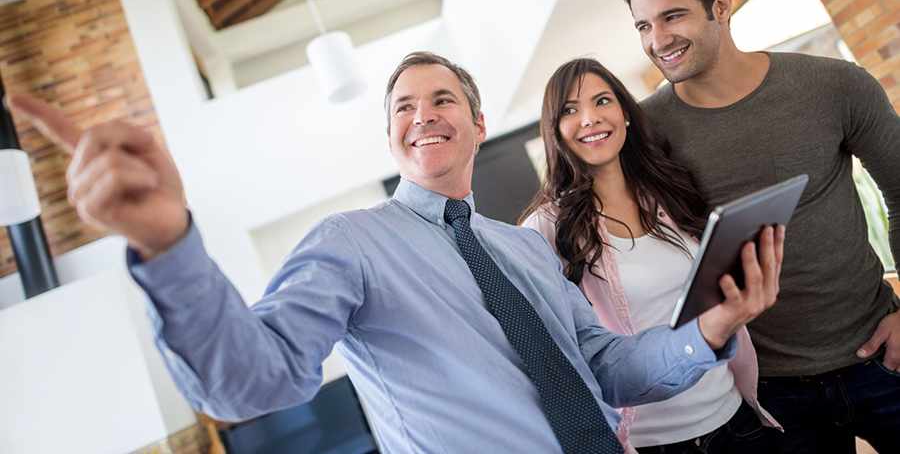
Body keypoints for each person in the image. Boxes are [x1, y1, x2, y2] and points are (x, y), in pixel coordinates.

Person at [9, 52, 781, 454]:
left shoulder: (526, 248)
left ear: (477, 124)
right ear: (392, 138)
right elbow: (252, 380)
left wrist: (711, 329)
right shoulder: (350, 245)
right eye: (403, 108)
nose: (423, 115)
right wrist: (168, 245)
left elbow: (606, 369)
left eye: (442, 99)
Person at [618, 0, 900, 453]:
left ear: (720, 6)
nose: (657, 40)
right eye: (643, 26)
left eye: (672, 16)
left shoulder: (833, 85)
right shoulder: (645, 131)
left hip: (882, 351)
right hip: (768, 390)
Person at [521, 57, 782, 453]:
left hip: (734, 415)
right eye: (570, 110)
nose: (590, 118)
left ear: (625, 113)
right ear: (555, 131)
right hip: (654, 441)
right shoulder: (544, 229)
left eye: (602, 101)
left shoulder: (668, 191)